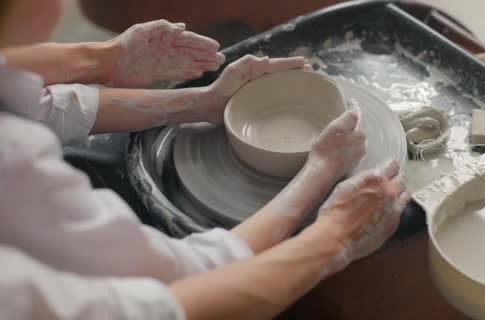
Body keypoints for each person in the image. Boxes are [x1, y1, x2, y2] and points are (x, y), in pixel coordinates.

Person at [0, 0, 411, 319]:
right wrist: (334, 229)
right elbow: (187, 283)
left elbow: (37, 104)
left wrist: (202, 103)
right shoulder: (15, 167)